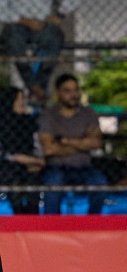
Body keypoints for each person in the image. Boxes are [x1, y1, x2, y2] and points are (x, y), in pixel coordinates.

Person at [39, 73, 107, 215]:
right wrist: (82, 143)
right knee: (52, 186)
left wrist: (66, 141)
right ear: (58, 93)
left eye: (75, 90)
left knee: (100, 183)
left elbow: (96, 142)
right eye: (67, 91)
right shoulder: (49, 115)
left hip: (84, 166)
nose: (73, 94)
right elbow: (49, 149)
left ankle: (93, 225)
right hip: (57, 167)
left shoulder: (88, 113)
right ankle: (52, 228)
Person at [0, 87, 44, 216]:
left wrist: (36, 161)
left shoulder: (29, 121)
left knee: (34, 179)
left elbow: (37, 146)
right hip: (5, 166)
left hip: (29, 166)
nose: (22, 103)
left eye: (23, 99)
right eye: (18, 99)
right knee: (13, 178)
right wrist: (23, 159)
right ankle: (18, 214)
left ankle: (32, 217)